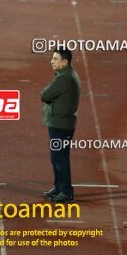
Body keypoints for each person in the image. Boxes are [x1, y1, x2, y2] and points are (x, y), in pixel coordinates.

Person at [40, 48, 81, 203]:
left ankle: (66, 192)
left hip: (60, 125)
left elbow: (44, 95)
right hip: (62, 123)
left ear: (65, 62)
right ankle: (59, 187)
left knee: (60, 158)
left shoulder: (64, 78)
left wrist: (50, 99)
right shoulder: (67, 75)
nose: (52, 61)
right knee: (57, 157)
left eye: (55, 59)